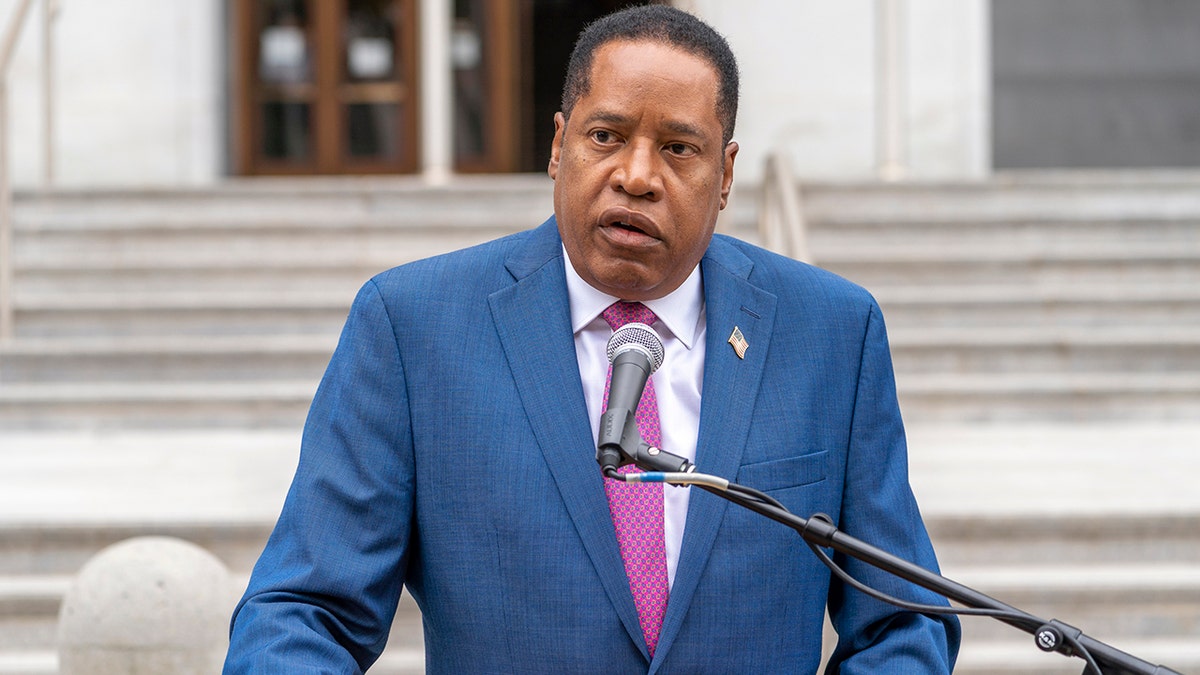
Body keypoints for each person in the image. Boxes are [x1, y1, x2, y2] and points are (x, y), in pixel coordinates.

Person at [225, 5, 961, 673]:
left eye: (678, 148)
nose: (637, 177)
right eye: (606, 136)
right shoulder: (415, 327)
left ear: (727, 173)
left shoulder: (831, 332)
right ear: (558, 145)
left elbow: (905, 621)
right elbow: (303, 613)